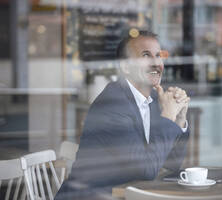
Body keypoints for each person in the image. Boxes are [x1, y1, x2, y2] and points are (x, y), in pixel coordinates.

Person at [55, 30, 190, 199]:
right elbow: (147, 169)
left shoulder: (155, 99)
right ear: (126, 66)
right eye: (146, 56)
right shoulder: (112, 104)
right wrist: (168, 114)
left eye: (158, 55)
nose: (156, 63)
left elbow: (173, 164)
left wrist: (178, 120)